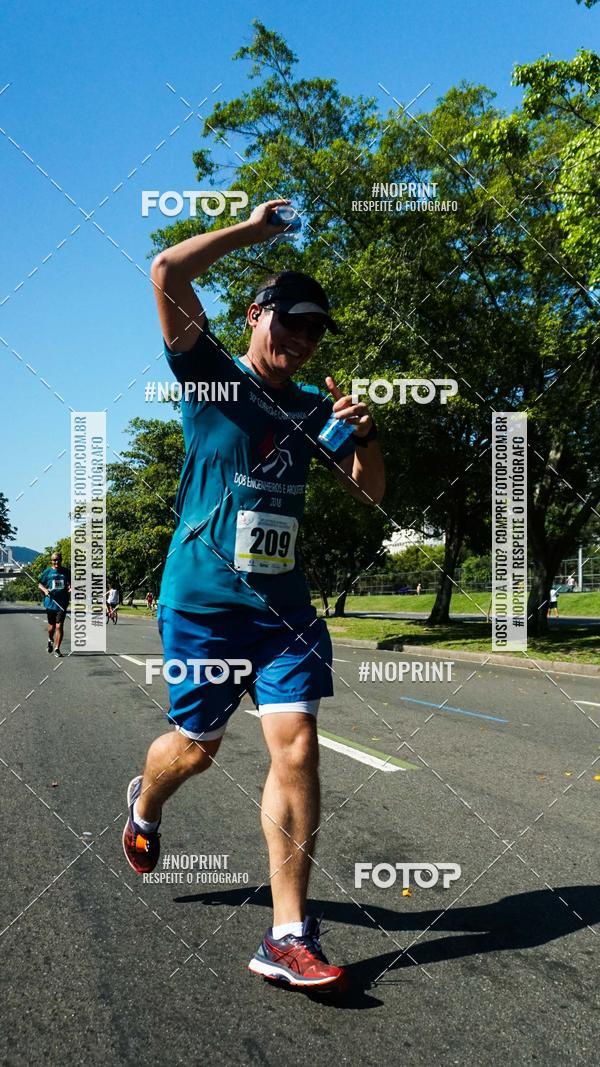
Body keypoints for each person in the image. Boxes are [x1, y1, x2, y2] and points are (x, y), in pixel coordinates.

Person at [122, 199, 385, 989]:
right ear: (255, 314)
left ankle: (288, 931)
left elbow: (371, 497)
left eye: (314, 331)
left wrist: (365, 437)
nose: (302, 339)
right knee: (197, 749)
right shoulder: (210, 375)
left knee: (297, 747)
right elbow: (167, 271)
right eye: (291, 321)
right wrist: (252, 231)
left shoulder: (314, 409)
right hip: (203, 600)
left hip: (285, 611)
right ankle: (146, 802)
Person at [38, 550, 71, 657]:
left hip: (62, 603)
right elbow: (40, 584)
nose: (56, 562)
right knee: (51, 627)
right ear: (51, 561)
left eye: (58, 560)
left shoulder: (66, 571)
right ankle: (49, 639)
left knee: (59, 626)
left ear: (61, 560)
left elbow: (72, 584)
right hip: (50, 603)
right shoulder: (47, 572)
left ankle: (57, 648)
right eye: (54, 560)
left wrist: (71, 588)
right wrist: (45, 590)